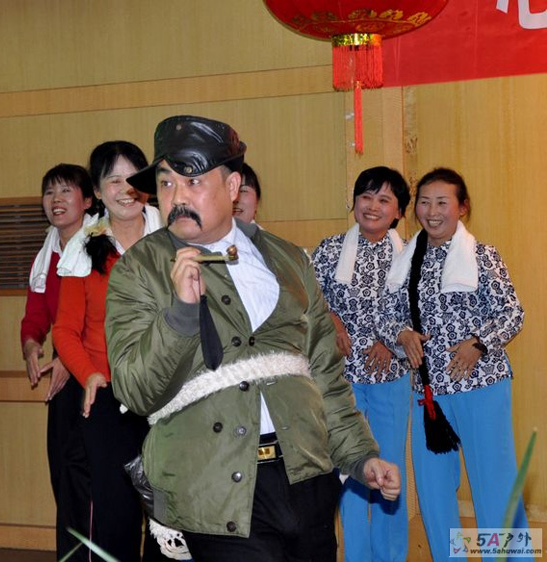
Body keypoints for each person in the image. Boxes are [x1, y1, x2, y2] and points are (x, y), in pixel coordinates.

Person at [104, 115, 400, 561]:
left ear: (232, 186)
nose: (176, 197)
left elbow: (326, 376)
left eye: (192, 182)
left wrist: (360, 456)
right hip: (211, 484)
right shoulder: (139, 270)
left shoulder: (289, 260)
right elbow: (134, 390)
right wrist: (180, 315)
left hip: (306, 478)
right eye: (165, 184)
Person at [378, 168, 529, 562]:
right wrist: (402, 335)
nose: (432, 211)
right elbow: (385, 317)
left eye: (442, 202)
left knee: (495, 487)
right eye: (425, 202)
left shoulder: (482, 255)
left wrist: (479, 344)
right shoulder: (406, 260)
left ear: (462, 208)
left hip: (481, 388)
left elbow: (512, 313)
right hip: (428, 395)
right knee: (433, 495)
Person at [52, 141, 163, 561]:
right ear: (97, 192)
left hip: (169, 394)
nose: (125, 189)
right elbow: (65, 330)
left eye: (133, 178)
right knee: (116, 513)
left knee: (169, 511)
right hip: (108, 396)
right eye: (113, 180)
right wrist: (89, 375)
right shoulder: (84, 246)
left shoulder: (172, 234)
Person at [311, 166, 411, 562]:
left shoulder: (411, 254)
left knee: (389, 469)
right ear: (353, 203)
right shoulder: (330, 249)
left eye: (384, 199)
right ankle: (356, 555)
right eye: (366, 196)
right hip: (342, 378)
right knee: (351, 469)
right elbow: (309, 299)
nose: (373, 206)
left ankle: (391, 555)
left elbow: (422, 309)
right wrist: (333, 321)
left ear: (398, 211)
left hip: (391, 376)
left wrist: (393, 340)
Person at [20, 163, 94, 560]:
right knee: (63, 470)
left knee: (91, 474)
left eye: (66, 191)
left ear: (88, 200)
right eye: (50, 192)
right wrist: (32, 345)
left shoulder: (100, 244)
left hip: (98, 369)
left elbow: (104, 316)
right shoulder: (47, 253)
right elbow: (36, 315)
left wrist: (70, 353)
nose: (56, 200)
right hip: (63, 371)